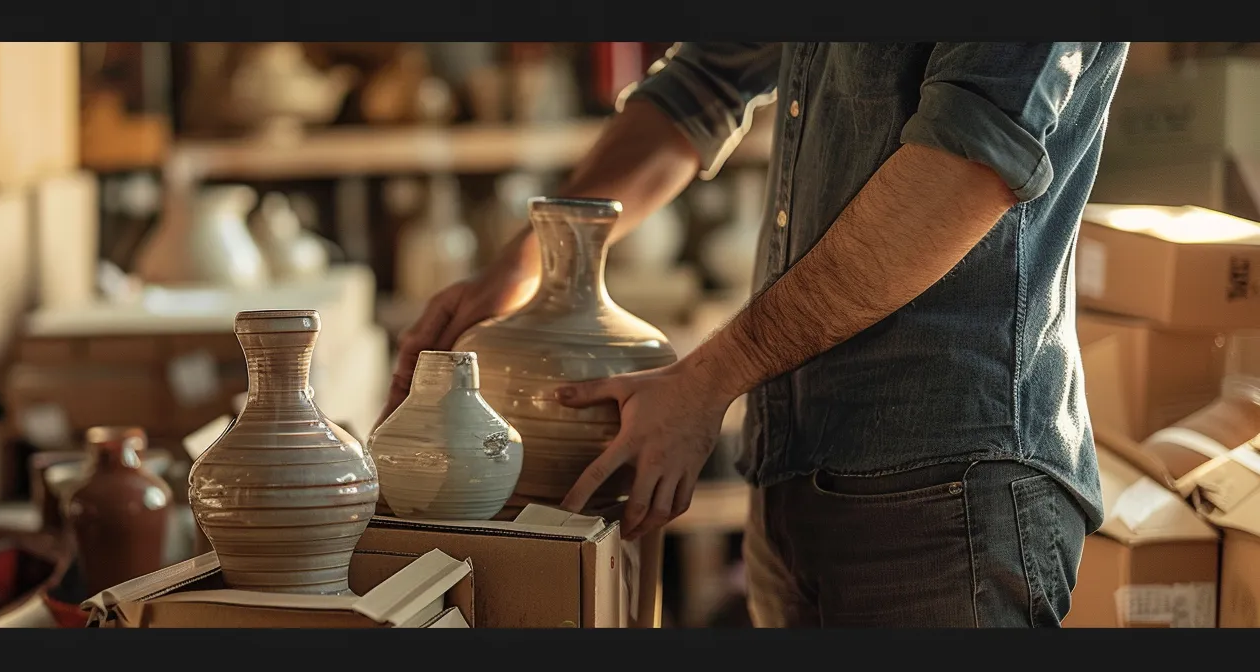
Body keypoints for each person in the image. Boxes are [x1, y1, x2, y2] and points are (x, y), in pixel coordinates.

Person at [380, 43, 1129, 627]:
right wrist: (523, 266)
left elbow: (965, 169)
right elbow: (701, 81)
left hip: (946, 492)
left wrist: (708, 379)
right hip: (794, 467)